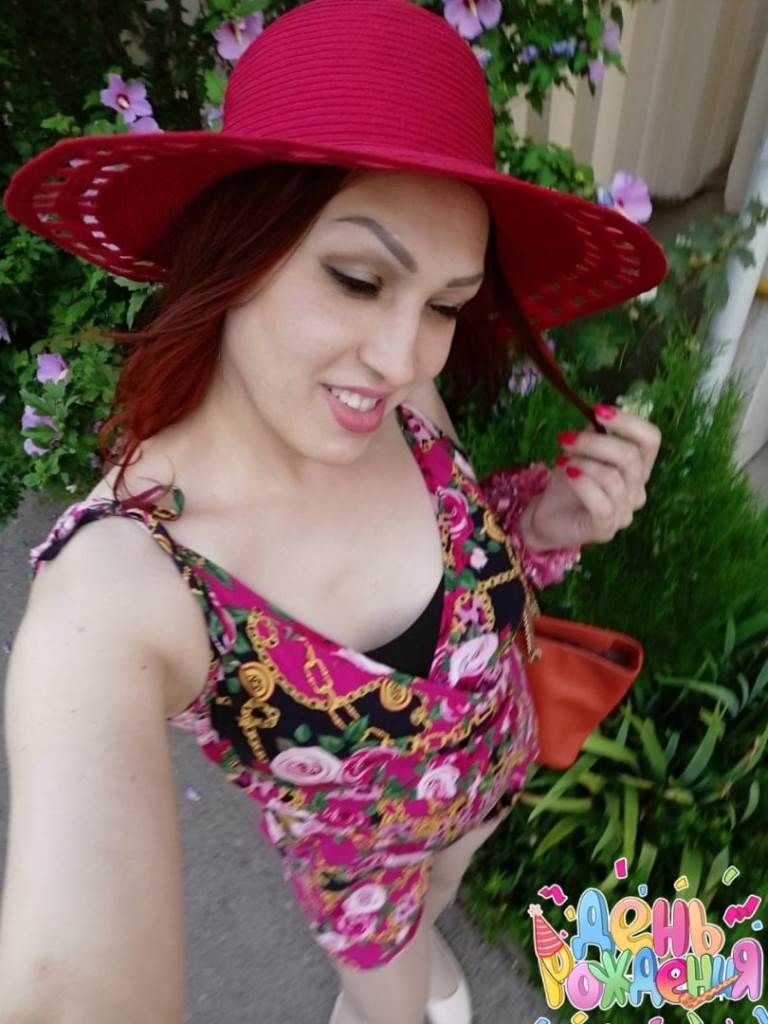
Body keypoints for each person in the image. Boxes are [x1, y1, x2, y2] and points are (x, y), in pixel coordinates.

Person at [0, 2, 665, 1022]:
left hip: (493, 782)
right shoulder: (128, 582)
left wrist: (544, 526)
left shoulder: (400, 400)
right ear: (232, 250)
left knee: (444, 903)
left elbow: (466, 545)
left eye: (445, 304)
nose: (401, 356)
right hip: (370, 899)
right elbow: (66, 982)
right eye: (357, 280)